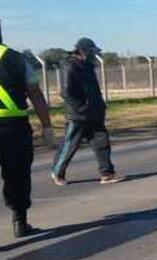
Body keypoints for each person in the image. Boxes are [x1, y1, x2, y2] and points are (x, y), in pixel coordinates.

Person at [0, 40, 56, 237]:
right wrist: (47, 126)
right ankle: (20, 220)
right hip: (13, 128)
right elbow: (35, 93)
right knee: (17, 174)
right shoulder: (15, 58)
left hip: (14, 127)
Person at [51, 38, 124, 186]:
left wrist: (99, 105)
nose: (93, 55)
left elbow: (93, 90)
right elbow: (66, 92)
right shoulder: (70, 66)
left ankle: (107, 173)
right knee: (70, 144)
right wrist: (80, 107)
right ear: (82, 52)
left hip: (95, 113)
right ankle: (57, 172)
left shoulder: (88, 67)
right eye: (91, 52)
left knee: (102, 142)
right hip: (78, 115)